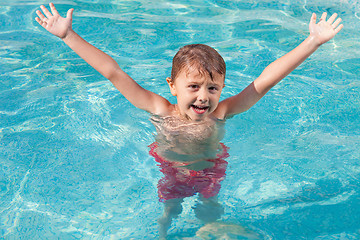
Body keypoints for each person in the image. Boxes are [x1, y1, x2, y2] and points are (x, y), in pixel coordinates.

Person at [35, 3, 343, 239]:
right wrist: (68, 35)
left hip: (212, 169)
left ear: (222, 88)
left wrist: (312, 42)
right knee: (169, 210)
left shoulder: (223, 111)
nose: (204, 97)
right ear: (172, 85)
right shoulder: (159, 108)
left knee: (211, 210)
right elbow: (113, 73)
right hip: (172, 169)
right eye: (193, 87)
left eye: (213, 88)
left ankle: (211, 230)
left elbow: (265, 80)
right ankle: (163, 231)